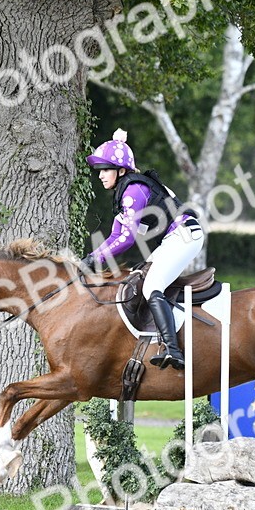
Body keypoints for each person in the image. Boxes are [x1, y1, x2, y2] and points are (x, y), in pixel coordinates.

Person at [81, 129, 205, 370]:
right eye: (100, 170)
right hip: (175, 238)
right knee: (141, 276)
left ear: (121, 171)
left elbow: (127, 239)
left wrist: (94, 259)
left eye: (105, 169)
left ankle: (173, 349)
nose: (101, 176)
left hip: (184, 236)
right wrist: (92, 258)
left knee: (151, 286)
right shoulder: (125, 191)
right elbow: (116, 236)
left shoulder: (133, 191)